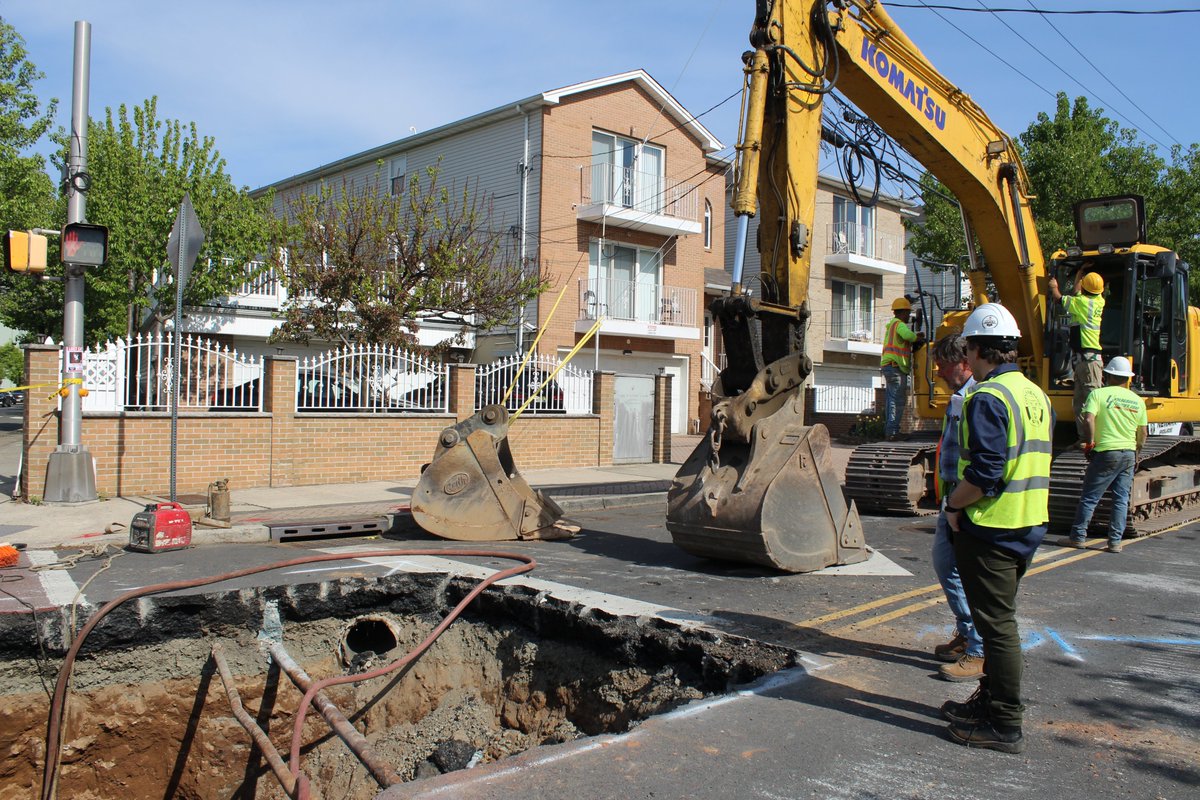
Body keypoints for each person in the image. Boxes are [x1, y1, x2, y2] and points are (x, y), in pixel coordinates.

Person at [941, 302, 1053, 754]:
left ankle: (1003, 722)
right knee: (996, 622)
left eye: (967, 347)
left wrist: (953, 505)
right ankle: (989, 703)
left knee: (997, 628)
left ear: (978, 349)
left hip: (992, 527)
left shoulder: (988, 397)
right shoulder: (1034, 394)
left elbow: (987, 471)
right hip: (1027, 523)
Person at [929, 333, 984, 682]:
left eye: (944, 365)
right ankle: (968, 633)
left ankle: (978, 646)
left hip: (965, 500)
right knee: (945, 564)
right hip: (953, 496)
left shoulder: (976, 398)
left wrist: (959, 502)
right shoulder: (959, 398)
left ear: (964, 362)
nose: (939, 371)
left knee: (964, 572)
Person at [1055, 356, 1147, 553]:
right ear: (1127, 378)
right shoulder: (1138, 401)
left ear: (1108, 375)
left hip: (1106, 452)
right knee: (1121, 499)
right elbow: (1143, 433)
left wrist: (1089, 442)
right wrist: (1136, 452)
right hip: (1128, 453)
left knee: (1090, 497)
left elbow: (1088, 419)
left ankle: (1078, 537)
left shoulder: (1098, 395)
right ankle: (1115, 542)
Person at [1049, 271, 1105, 441]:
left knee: (1091, 400)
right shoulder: (1098, 301)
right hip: (1083, 360)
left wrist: (1054, 287)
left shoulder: (1081, 303)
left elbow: (1060, 299)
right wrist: (1079, 273)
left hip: (1089, 361)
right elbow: (1077, 293)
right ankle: (1084, 439)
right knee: (1080, 403)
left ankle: (1096, 439)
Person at [880, 297, 924, 441]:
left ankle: (890, 430)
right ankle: (893, 432)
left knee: (891, 399)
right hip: (895, 367)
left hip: (889, 366)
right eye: (908, 313)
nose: (908, 316)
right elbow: (907, 336)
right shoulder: (899, 324)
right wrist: (917, 338)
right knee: (897, 401)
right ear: (903, 312)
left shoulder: (892, 325)